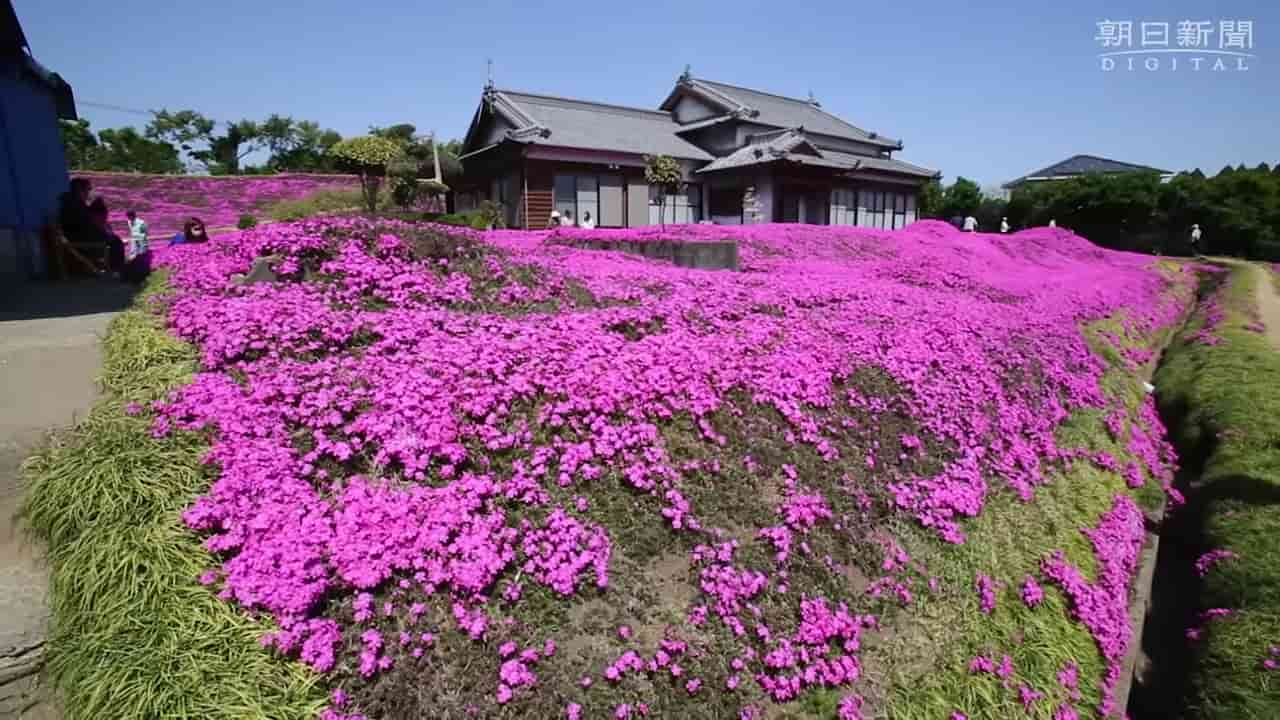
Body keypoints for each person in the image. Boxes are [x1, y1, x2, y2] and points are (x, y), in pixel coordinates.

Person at [89, 197, 126, 274]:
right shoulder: (92, 225)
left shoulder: (105, 224)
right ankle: (118, 268)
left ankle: (119, 267)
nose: (104, 219)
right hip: (99, 249)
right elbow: (100, 237)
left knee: (117, 242)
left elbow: (110, 235)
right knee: (116, 244)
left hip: (106, 248)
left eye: (105, 217)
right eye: (103, 217)